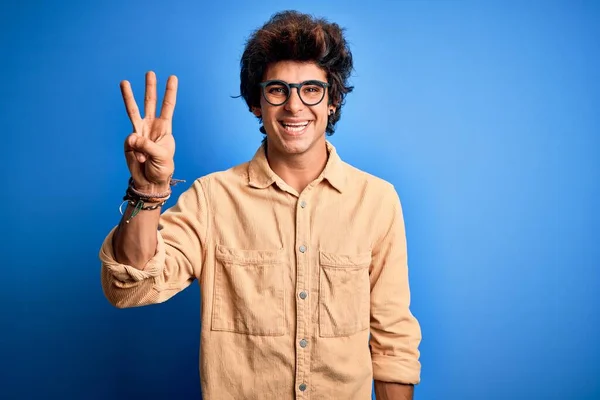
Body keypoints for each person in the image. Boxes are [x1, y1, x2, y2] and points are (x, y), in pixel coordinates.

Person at [99, 10, 421, 400]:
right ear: (257, 102)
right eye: (278, 90)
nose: (294, 105)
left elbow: (392, 343)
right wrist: (147, 190)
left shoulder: (377, 200)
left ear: (332, 100)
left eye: (312, 89)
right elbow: (130, 287)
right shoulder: (212, 198)